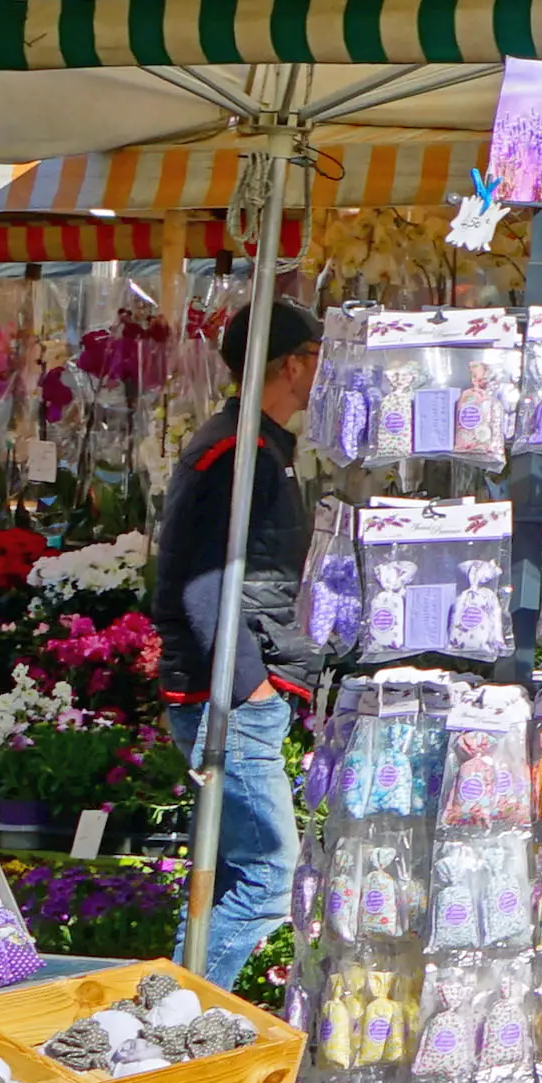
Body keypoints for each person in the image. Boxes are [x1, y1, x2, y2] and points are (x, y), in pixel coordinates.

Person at [159, 318, 318, 986]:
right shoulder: (237, 452)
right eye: (317, 355)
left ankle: (166, 1016)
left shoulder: (256, 444)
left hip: (238, 684)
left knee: (230, 875)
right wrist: (249, 681)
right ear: (289, 364)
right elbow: (199, 577)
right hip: (230, 692)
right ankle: (178, 1028)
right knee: (268, 876)